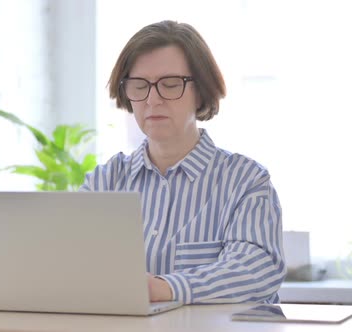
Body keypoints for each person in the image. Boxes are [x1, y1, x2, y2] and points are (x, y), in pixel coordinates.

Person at [80, 20, 286, 304]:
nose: (152, 100)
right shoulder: (104, 182)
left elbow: (256, 271)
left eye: (170, 84)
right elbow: (74, 268)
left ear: (201, 90)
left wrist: (167, 288)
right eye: (139, 86)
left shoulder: (246, 181)